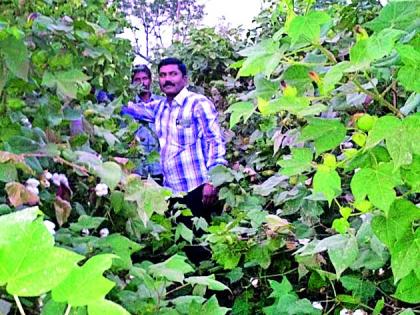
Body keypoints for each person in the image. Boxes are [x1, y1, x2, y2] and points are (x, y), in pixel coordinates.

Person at [121, 57, 227, 223]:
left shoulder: (197, 103)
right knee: (182, 242)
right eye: (163, 75)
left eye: (173, 74)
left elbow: (215, 142)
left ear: (184, 78)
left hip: (197, 188)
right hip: (171, 190)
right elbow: (133, 108)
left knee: (199, 244)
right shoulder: (160, 107)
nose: (167, 79)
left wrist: (212, 182)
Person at [129, 65, 164, 180]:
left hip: (160, 168)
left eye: (144, 78)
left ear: (150, 80)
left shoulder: (162, 103)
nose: (142, 83)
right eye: (137, 80)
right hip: (136, 169)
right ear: (132, 83)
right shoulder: (126, 106)